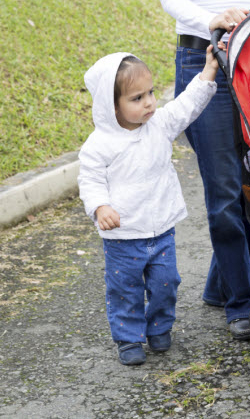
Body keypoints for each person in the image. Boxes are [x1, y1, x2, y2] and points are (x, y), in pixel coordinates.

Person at [159, 0, 250, 341]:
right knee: (225, 189)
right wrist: (210, 19)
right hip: (206, 58)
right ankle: (241, 302)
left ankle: (221, 286)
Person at [77, 45, 221, 365]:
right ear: (111, 106)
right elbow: (90, 181)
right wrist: (100, 207)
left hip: (161, 229)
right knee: (125, 288)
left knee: (166, 282)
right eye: (137, 98)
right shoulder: (99, 145)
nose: (149, 103)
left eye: (151, 93)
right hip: (123, 235)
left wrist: (209, 70)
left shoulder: (159, 125)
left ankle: (159, 326)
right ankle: (128, 337)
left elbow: (186, 105)